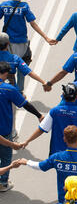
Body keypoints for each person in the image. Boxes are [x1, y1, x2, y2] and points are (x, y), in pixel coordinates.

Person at [0, 0, 53, 92]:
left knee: (9, 65)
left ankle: (11, 87)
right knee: (21, 66)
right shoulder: (24, 6)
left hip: (8, 43)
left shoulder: (4, 5)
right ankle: (19, 91)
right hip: (22, 43)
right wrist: (45, 37)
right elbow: (33, 24)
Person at [0, 61, 43, 191]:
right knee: (6, 157)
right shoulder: (8, 89)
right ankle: (2, 183)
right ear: (4, 73)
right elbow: (25, 104)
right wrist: (39, 115)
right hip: (4, 130)